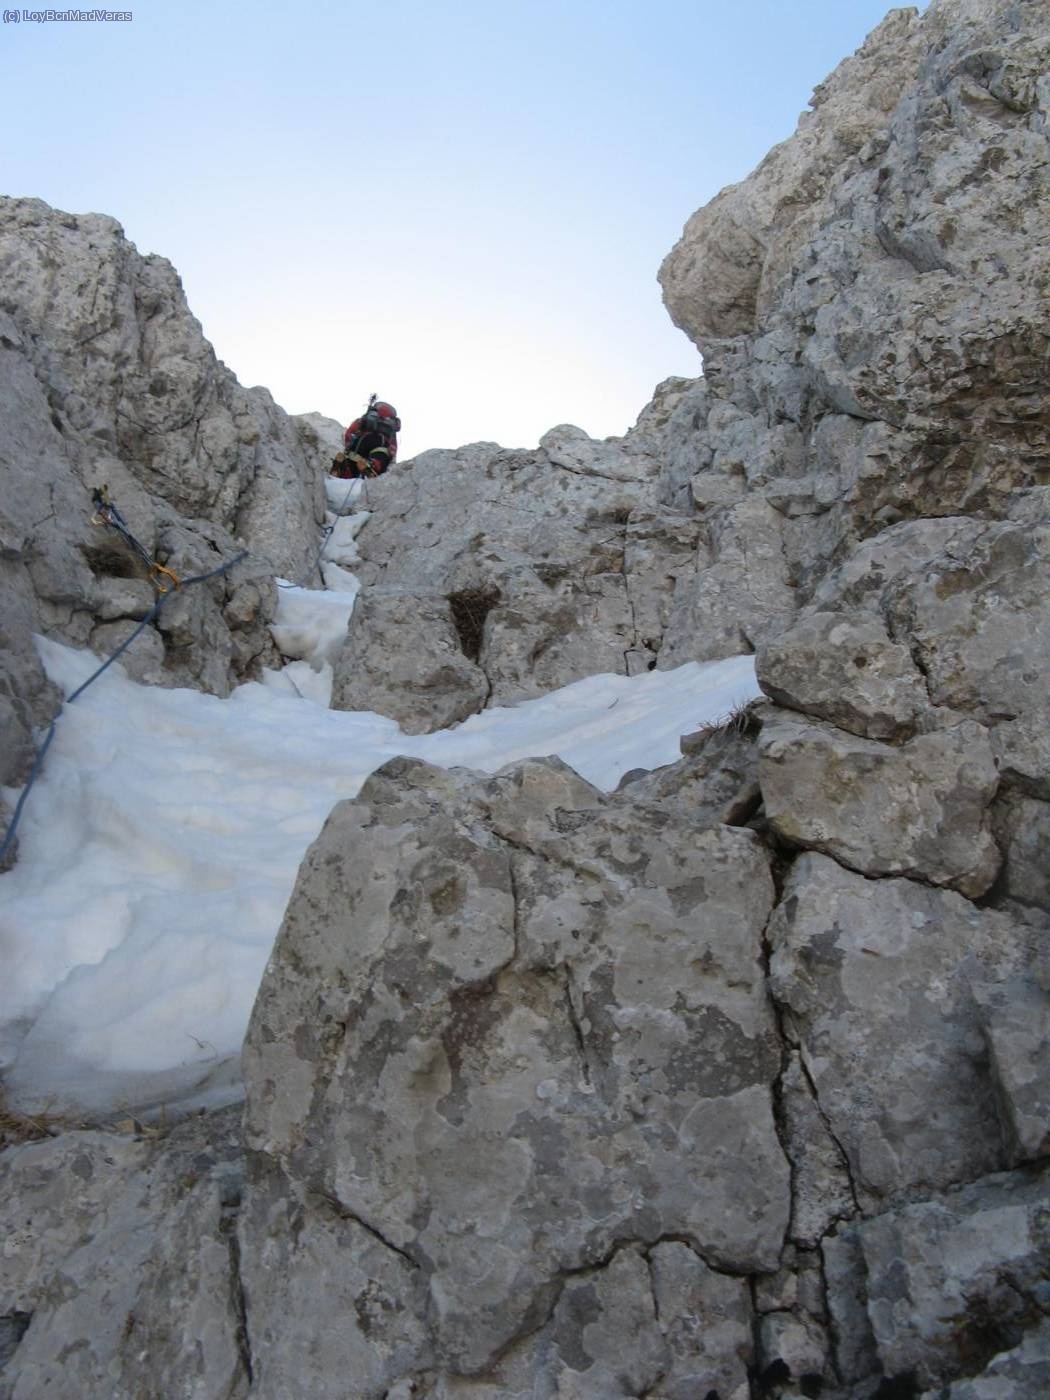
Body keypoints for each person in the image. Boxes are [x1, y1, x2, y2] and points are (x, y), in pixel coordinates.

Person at [331, 396, 401, 478]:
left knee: (354, 458)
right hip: (380, 443)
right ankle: (373, 466)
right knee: (380, 455)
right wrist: (390, 457)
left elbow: (349, 432)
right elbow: (393, 447)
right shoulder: (390, 427)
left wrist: (349, 447)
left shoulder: (366, 418)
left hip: (361, 440)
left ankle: (344, 469)